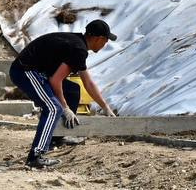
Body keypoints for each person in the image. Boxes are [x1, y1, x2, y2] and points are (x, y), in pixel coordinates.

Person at [10, 20, 119, 169]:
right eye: (105, 41)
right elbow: (56, 81)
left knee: (72, 90)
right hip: (25, 71)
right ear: (97, 38)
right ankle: (36, 156)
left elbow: (88, 83)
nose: (105, 44)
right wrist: (65, 108)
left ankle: (56, 137)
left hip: (37, 72)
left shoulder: (78, 45)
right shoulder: (78, 48)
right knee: (54, 108)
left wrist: (106, 108)